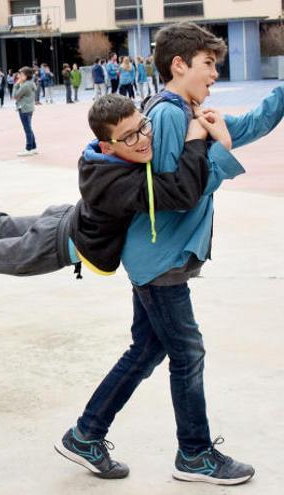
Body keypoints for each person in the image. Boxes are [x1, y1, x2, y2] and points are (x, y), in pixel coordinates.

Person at [56, 22, 284, 485]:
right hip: (158, 259)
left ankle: (86, 434)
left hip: (160, 256)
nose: (214, 73)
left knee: (147, 349)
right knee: (188, 352)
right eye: (208, 64)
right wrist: (209, 145)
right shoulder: (168, 115)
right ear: (179, 65)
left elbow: (249, 126)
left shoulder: (188, 110)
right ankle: (194, 453)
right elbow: (174, 191)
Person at [0, 93, 215, 281]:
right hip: (57, 243)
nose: (144, 139)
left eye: (144, 127)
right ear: (108, 147)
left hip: (64, 219)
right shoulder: (120, 185)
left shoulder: (100, 156)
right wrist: (195, 140)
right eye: (131, 136)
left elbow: (151, 129)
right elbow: (182, 193)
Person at [13, 67, 38, 156]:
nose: (19, 76)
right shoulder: (30, 83)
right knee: (29, 128)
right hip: (29, 108)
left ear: (26, 76)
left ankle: (28, 148)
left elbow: (15, 96)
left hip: (24, 108)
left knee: (27, 129)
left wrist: (16, 84)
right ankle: (34, 147)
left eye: (21, 74)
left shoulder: (25, 85)